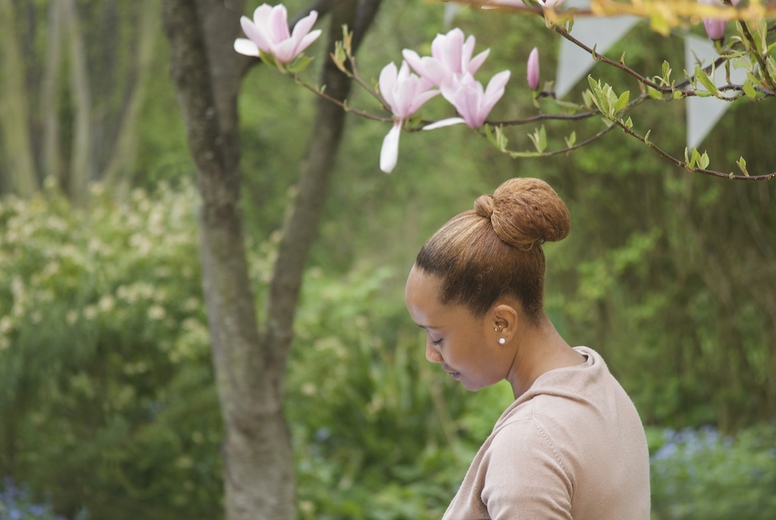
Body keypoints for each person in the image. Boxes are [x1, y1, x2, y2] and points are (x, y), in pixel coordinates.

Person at [404, 177, 650, 519]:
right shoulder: (602, 388)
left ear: (501, 322)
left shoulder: (530, 446)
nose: (431, 355)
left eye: (437, 337)